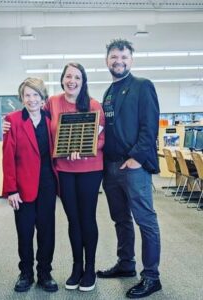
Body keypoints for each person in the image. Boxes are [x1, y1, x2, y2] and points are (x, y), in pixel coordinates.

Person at [96, 39, 162, 299]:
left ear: (131, 60)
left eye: (123, 57)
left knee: (145, 220)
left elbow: (150, 126)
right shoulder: (109, 92)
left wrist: (136, 158)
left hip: (133, 166)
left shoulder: (142, 86)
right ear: (107, 61)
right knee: (120, 220)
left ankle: (151, 277)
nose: (118, 61)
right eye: (114, 57)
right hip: (110, 167)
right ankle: (126, 264)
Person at [45, 62, 105, 292]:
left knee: (87, 217)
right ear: (62, 79)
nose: (72, 81)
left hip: (90, 168)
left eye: (77, 77)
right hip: (64, 169)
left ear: (83, 81)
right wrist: (10, 122)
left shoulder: (93, 105)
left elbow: (102, 138)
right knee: (73, 219)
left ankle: (90, 269)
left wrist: (85, 146)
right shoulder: (52, 103)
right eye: (68, 76)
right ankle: (76, 267)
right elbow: (35, 122)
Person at [2, 78, 58, 293]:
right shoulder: (12, 120)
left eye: (36, 94)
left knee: (47, 231)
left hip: (47, 184)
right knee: (25, 232)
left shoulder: (51, 119)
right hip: (22, 185)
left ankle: (45, 272)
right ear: (21, 97)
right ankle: (26, 273)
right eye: (27, 95)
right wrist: (11, 189)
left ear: (42, 97)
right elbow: (8, 157)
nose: (32, 99)